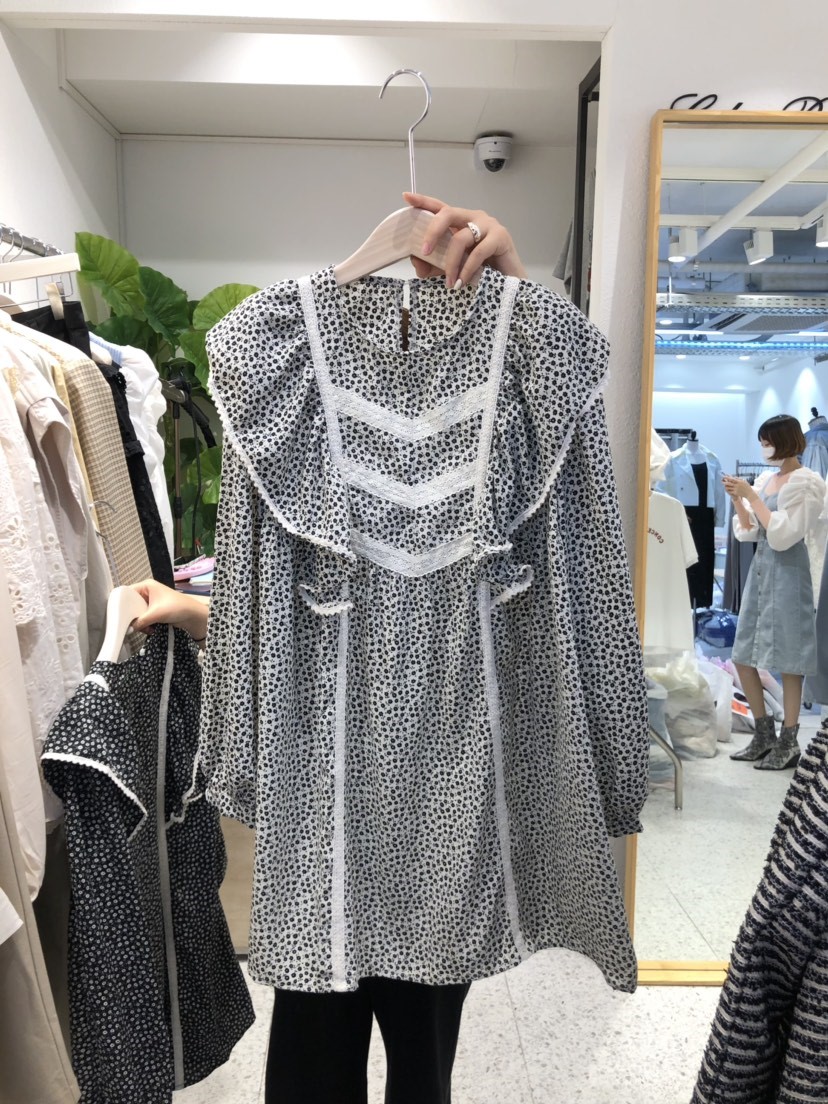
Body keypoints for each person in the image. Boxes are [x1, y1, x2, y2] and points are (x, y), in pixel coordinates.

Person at [130, 193, 532, 1103]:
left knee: (420, 1069)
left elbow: (548, 572)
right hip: (323, 815)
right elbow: (270, 599)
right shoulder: (279, 364)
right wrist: (198, 617)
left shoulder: (514, 378)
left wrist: (514, 288)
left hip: (445, 806)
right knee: (314, 1069)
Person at [723, 414, 826, 771]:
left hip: (790, 574)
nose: (764, 448)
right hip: (762, 571)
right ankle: (764, 734)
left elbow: (785, 535)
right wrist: (739, 501)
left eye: (767, 441)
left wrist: (751, 495)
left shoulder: (808, 482)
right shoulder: (768, 479)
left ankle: (789, 741)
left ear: (784, 441)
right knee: (743, 653)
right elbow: (749, 531)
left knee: (790, 660)